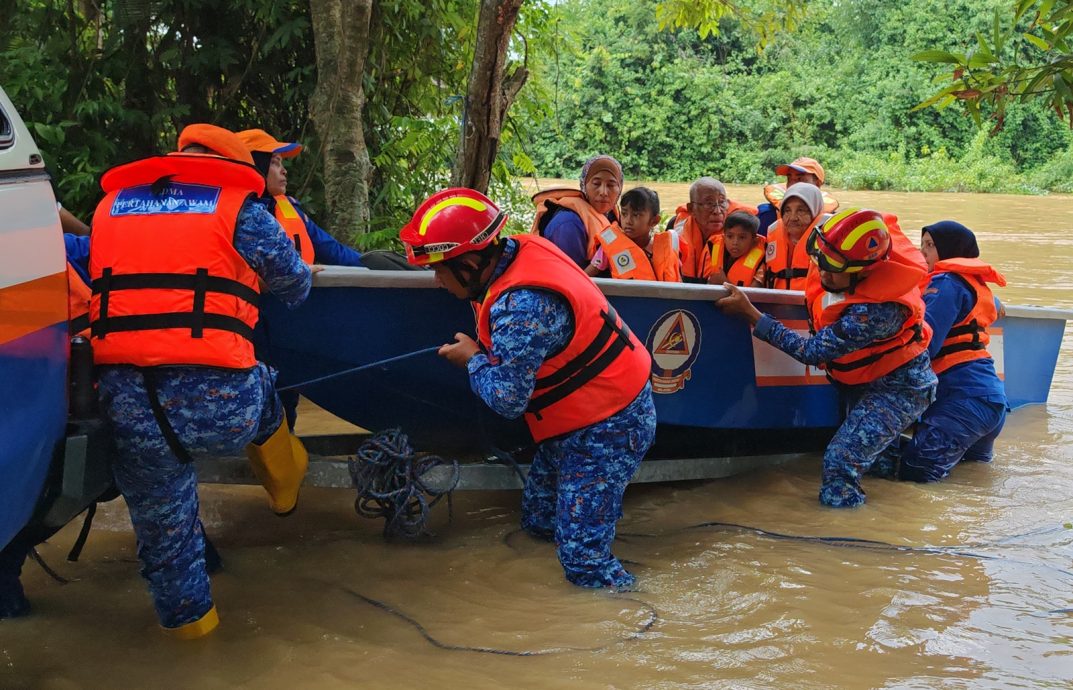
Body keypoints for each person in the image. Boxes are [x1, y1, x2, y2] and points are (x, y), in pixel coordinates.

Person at [88, 124, 312, 638]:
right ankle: (285, 487)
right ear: (233, 166)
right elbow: (295, 285)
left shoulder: (111, 208)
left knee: (167, 542)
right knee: (264, 384)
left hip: (127, 402)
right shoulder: (240, 207)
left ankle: (195, 640)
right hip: (220, 403)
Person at [401, 188, 656, 588]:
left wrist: (472, 359)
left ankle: (636, 616)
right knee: (539, 519)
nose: (436, 281)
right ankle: (588, 524)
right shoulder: (517, 250)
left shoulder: (523, 307)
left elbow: (507, 399)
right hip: (575, 413)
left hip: (611, 421)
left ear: (469, 263)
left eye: (438, 269)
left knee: (583, 565)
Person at [718, 208, 937, 507]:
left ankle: (845, 538)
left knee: (840, 462)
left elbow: (812, 351)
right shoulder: (859, 254)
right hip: (865, 381)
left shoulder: (875, 312)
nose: (821, 274)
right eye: (820, 261)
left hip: (899, 390)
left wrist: (752, 314)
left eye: (832, 268)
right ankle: (897, 511)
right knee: (876, 466)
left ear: (863, 271)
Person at [892, 221, 1008, 482]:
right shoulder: (972, 283)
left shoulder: (945, 282)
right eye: (921, 245)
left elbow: (926, 343)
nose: (922, 253)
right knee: (972, 480)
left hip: (961, 403)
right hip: (989, 400)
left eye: (931, 246)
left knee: (916, 474)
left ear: (950, 250)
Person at [236, 128, 363, 267]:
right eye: (274, 162)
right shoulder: (227, 211)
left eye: (281, 163)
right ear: (257, 164)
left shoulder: (287, 208)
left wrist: (373, 263)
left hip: (294, 287)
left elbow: (332, 250)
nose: (284, 170)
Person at [532, 155, 623, 268]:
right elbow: (569, 278)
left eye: (611, 185)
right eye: (596, 183)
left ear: (619, 189)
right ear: (584, 185)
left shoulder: (615, 217)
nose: (603, 192)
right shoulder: (567, 223)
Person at [669, 177, 757, 283]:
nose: (717, 211)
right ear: (691, 209)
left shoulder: (740, 233)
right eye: (709, 204)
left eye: (721, 203)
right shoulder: (675, 228)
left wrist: (725, 284)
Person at [586, 186, 682, 281]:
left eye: (636, 215)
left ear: (654, 221)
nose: (628, 221)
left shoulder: (666, 249)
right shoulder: (609, 246)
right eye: (624, 214)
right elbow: (586, 276)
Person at [764, 182, 825, 291]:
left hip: (811, 304)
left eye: (800, 210)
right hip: (776, 302)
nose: (792, 218)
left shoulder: (829, 241)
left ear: (815, 211)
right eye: (787, 211)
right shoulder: (772, 234)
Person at [757, 156, 839, 232]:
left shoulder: (833, 222)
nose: (792, 185)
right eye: (789, 178)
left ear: (817, 184)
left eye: (800, 179)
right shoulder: (767, 215)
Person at [708, 211, 766, 287]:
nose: (735, 242)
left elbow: (753, 295)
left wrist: (724, 283)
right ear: (724, 237)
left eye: (742, 237)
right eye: (730, 236)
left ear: (754, 240)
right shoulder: (712, 247)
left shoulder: (761, 264)